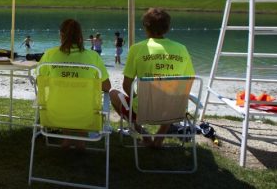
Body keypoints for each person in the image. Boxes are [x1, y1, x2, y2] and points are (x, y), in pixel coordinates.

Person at [110, 8, 194, 148]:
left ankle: (144, 134)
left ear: (146, 26)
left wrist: (137, 98)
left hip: (143, 111)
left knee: (113, 93)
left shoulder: (137, 48)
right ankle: (159, 138)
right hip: (172, 111)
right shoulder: (182, 49)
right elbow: (188, 81)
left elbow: (126, 85)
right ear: (167, 27)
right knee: (172, 96)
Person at [37, 19, 111, 148]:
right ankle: (81, 140)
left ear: (61, 35)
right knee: (79, 100)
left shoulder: (50, 55)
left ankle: (67, 139)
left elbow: (40, 82)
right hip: (86, 114)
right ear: (80, 36)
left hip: (55, 113)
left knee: (64, 96)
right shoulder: (93, 56)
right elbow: (106, 86)